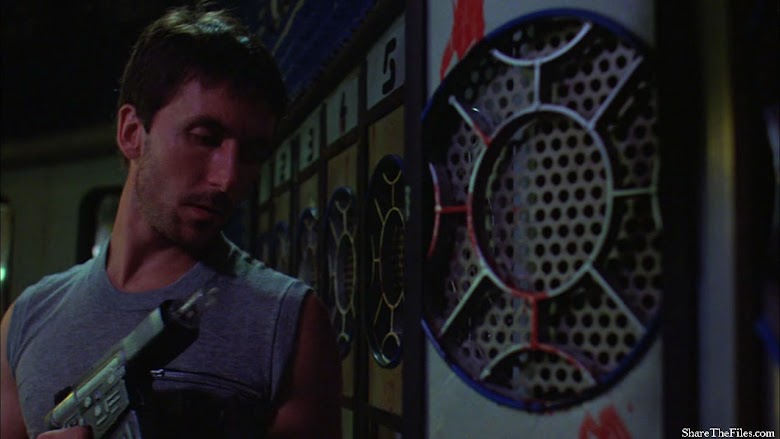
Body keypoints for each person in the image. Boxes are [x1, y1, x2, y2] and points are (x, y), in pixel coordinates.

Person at [1, 5, 341, 438]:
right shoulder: (28, 319)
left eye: (252, 153)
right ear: (131, 132)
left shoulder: (288, 321)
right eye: (205, 138)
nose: (227, 178)